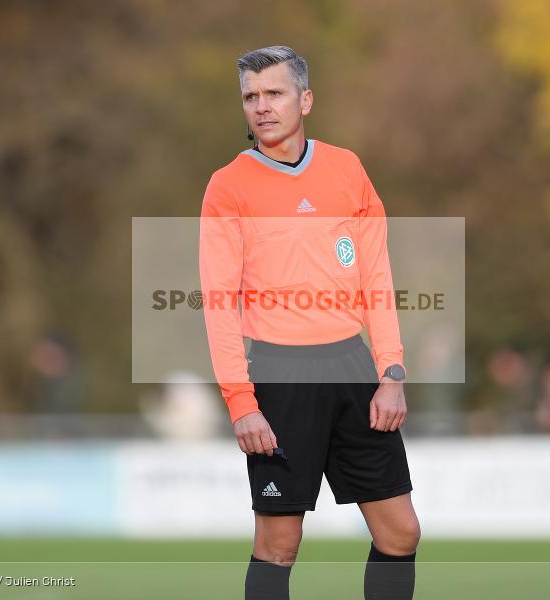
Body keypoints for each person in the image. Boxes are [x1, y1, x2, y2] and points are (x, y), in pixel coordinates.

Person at [199, 46, 419, 599]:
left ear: (306, 99)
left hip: (353, 364)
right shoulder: (228, 186)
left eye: (274, 93)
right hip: (278, 372)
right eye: (250, 97)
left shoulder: (347, 169)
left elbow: (377, 278)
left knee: (401, 532)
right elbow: (219, 301)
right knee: (280, 545)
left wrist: (391, 371)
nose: (262, 106)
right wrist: (241, 402)